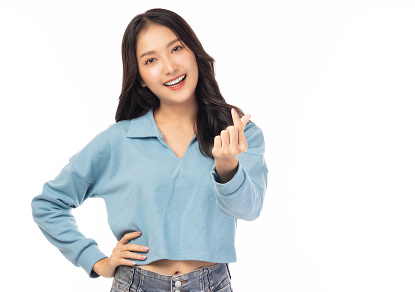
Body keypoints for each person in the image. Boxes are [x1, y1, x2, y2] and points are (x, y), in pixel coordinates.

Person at [31, 8, 268, 292]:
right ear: (140, 76)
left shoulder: (237, 132)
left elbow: (250, 210)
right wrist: (97, 261)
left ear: (194, 52)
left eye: (177, 48)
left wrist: (227, 165)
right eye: (151, 60)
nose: (169, 67)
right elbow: (48, 204)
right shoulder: (118, 140)